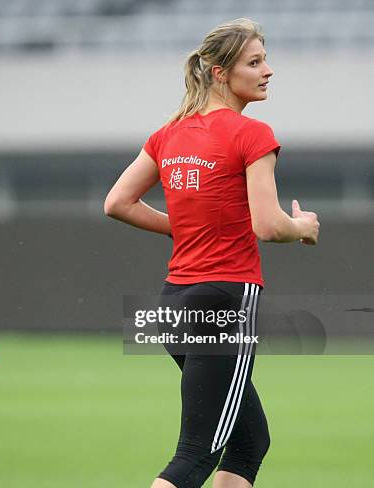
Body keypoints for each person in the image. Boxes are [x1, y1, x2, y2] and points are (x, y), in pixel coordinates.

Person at [104, 18, 319, 488]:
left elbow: (116, 203)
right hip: (225, 301)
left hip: (173, 304)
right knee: (196, 456)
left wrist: (182, 230)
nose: (268, 70)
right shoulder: (252, 134)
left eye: (265, 60)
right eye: (255, 61)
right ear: (221, 73)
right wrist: (303, 226)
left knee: (248, 442)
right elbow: (268, 225)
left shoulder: (169, 134)